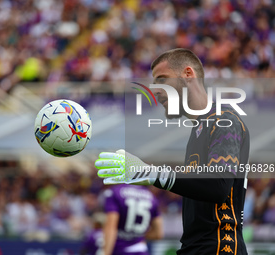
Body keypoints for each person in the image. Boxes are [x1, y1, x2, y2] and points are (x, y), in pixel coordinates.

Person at [95, 48, 250, 255]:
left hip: (221, 248)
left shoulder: (224, 121)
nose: (156, 91)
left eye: (162, 80)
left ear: (188, 74)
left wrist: (151, 173)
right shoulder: (199, 129)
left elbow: (218, 186)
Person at [102, 184, 162, 255]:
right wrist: (137, 236)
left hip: (120, 250)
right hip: (140, 250)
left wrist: (106, 252)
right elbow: (158, 233)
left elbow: (111, 227)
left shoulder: (114, 192)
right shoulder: (151, 196)